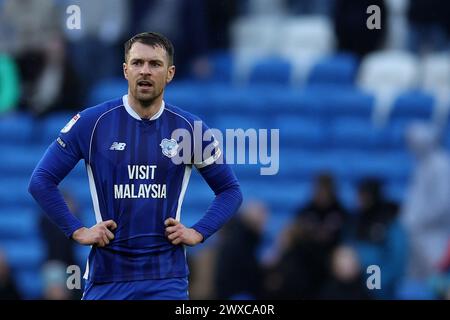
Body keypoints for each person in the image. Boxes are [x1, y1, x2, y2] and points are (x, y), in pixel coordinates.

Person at [28, 32, 243, 300]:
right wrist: (77, 230)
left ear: (170, 73)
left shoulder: (190, 130)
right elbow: (41, 181)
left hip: (166, 281)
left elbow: (230, 191)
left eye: (155, 64)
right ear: (125, 70)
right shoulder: (91, 123)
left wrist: (199, 232)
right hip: (107, 279)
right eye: (138, 63)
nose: (145, 71)